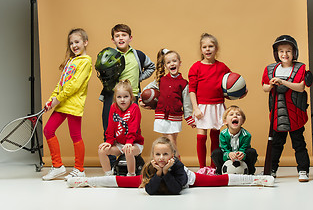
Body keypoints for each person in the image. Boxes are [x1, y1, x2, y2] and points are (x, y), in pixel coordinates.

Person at [67, 137, 275, 192]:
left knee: (219, 180)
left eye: (166, 154)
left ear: (173, 154)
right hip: (161, 177)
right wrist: (158, 173)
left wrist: (166, 169)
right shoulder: (150, 167)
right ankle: (84, 181)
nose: (161, 157)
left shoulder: (176, 166)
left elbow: (175, 189)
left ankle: (259, 179)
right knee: (121, 181)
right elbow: (151, 190)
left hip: (186, 180)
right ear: (152, 155)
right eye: (157, 154)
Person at [42, 28, 92, 181]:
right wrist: (52, 99)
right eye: (71, 43)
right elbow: (62, 83)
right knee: (48, 130)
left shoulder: (86, 61)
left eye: (77, 42)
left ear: (85, 42)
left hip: (74, 105)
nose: (74, 46)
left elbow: (74, 85)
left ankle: (79, 169)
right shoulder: (71, 61)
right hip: (62, 103)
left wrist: (59, 98)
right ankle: (57, 166)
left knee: (75, 136)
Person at [261, 35, 312, 182]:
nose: (285, 54)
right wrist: (271, 84)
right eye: (281, 51)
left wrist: (283, 82)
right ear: (276, 53)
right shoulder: (271, 69)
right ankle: (272, 169)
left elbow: (301, 87)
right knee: (276, 144)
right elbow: (265, 88)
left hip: (294, 112)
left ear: (294, 52)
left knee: (299, 143)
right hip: (278, 113)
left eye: (288, 51)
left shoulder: (300, 67)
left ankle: (303, 170)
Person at [140, 49, 195, 158]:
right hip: (161, 116)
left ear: (180, 63)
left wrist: (189, 118)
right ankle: (172, 163)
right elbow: (147, 91)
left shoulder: (184, 83)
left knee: (172, 140)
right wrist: (143, 100)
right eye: (168, 62)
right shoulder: (161, 80)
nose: (172, 64)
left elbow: (187, 103)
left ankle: (176, 163)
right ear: (165, 66)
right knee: (168, 141)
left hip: (175, 116)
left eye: (174, 61)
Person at [100, 24, 155, 133]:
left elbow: (151, 66)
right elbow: (103, 75)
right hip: (113, 96)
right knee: (109, 129)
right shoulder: (109, 56)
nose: (120, 38)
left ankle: (131, 149)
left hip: (132, 96)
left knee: (132, 130)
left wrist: (139, 78)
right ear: (113, 40)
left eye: (124, 35)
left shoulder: (138, 55)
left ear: (130, 38)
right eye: (117, 36)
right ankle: (111, 149)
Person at [188, 33, 231, 170]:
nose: (208, 49)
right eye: (204, 47)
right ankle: (202, 167)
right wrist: (195, 108)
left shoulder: (222, 67)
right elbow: (192, 90)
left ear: (216, 49)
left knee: (215, 136)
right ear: (201, 50)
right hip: (202, 106)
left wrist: (240, 92)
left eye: (210, 46)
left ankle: (214, 166)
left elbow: (230, 84)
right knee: (201, 136)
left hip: (217, 105)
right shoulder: (196, 67)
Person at [98, 80, 144, 176]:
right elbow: (110, 127)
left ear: (131, 97)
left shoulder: (135, 108)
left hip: (135, 144)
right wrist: (109, 142)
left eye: (125, 97)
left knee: (128, 150)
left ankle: (131, 175)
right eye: (119, 97)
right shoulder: (113, 107)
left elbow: (133, 128)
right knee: (102, 150)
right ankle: (108, 175)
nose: (122, 100)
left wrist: (129, 142)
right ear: (115, 98)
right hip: (119, 144)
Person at [211, 105, 258, 175]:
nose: (235, 116)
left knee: (252, 152)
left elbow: (244, 148)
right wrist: (229, 154)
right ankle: (219, 171)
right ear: (225, 121)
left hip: (241, 159)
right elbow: (224, 149)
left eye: (238, 115)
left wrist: (242, 154)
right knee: (216, 153)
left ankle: (250, 171)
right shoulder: (223, 134)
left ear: (243, 121)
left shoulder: (247, 135)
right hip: (226, 157)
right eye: (231, 114)